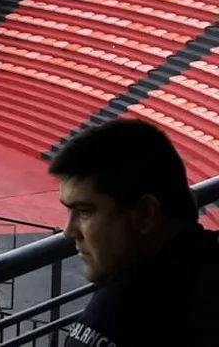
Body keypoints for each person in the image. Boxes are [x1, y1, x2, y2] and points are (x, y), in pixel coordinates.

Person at [51, 119, 217, 346]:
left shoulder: (120, 314)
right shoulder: (203, 263)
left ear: (145, 215)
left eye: (84, 211)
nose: (69, 232)